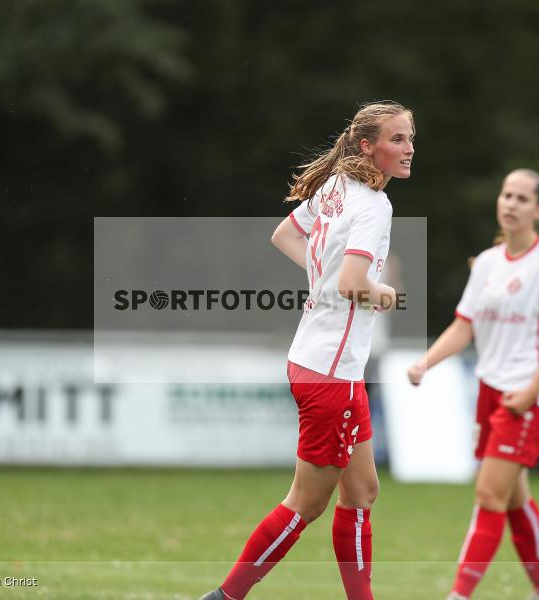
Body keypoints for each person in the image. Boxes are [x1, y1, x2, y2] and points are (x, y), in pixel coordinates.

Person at [200, 101, 415, 600]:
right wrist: (385, 293)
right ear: (368, 146)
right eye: (397, 139)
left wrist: (326, 278)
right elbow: (354, 283)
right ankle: (225, 597)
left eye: (410, 138)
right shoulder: (373, 205)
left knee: (362, 492)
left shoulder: (336, 187)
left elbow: (285, 236)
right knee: (305, 504)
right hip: (331, 374)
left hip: (321, 362)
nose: (409, 149)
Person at [407, 169, 539, 600]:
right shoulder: (486, 263)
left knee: (488, 494)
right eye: (507, 195)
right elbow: (464, 326)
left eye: (522, 198)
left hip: (527, 395)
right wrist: (426, 362)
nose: (511, 204)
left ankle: (459, 595)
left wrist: (532, 391)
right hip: (491, 391)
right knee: (513, 500)